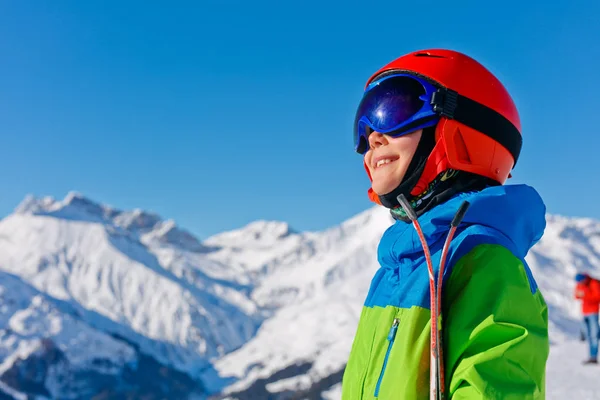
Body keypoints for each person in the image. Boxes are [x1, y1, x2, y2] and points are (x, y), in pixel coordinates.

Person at [342, 49, 549, 399]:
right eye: (364, 123)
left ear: (462, 129)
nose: (372, 137)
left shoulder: (485, 264)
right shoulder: (397, 270)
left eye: (393, 111)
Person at [574, 272, 600, 364]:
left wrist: (585, 294)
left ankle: (593, 357)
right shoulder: (580, 284)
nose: (580, 284)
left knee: (594, 335)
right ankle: (591, 356)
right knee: (588, 334)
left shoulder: (594, 283)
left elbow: (598, 296)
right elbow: (576, 295)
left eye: (581, 282)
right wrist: (581, 294)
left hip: (593, 311)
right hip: (585, 312)